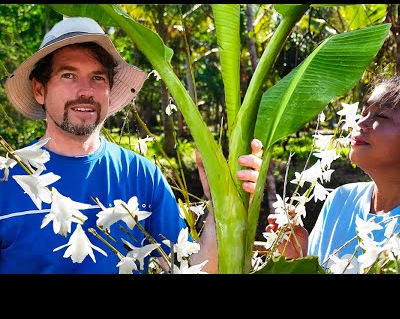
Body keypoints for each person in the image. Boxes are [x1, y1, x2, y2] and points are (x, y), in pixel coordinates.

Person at [0, 16, 261, 274]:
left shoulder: (142, 175)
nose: (85, 91)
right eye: (69, 75)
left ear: (110, 90)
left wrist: (220, 203)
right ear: (39, 90)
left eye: (98, 78)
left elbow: (192, 269)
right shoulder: (6, 177)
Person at [266, 73, 400, 274]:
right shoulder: (339, 201)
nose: (360, 123)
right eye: (364, 112)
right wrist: (299, 258)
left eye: (380, 116)